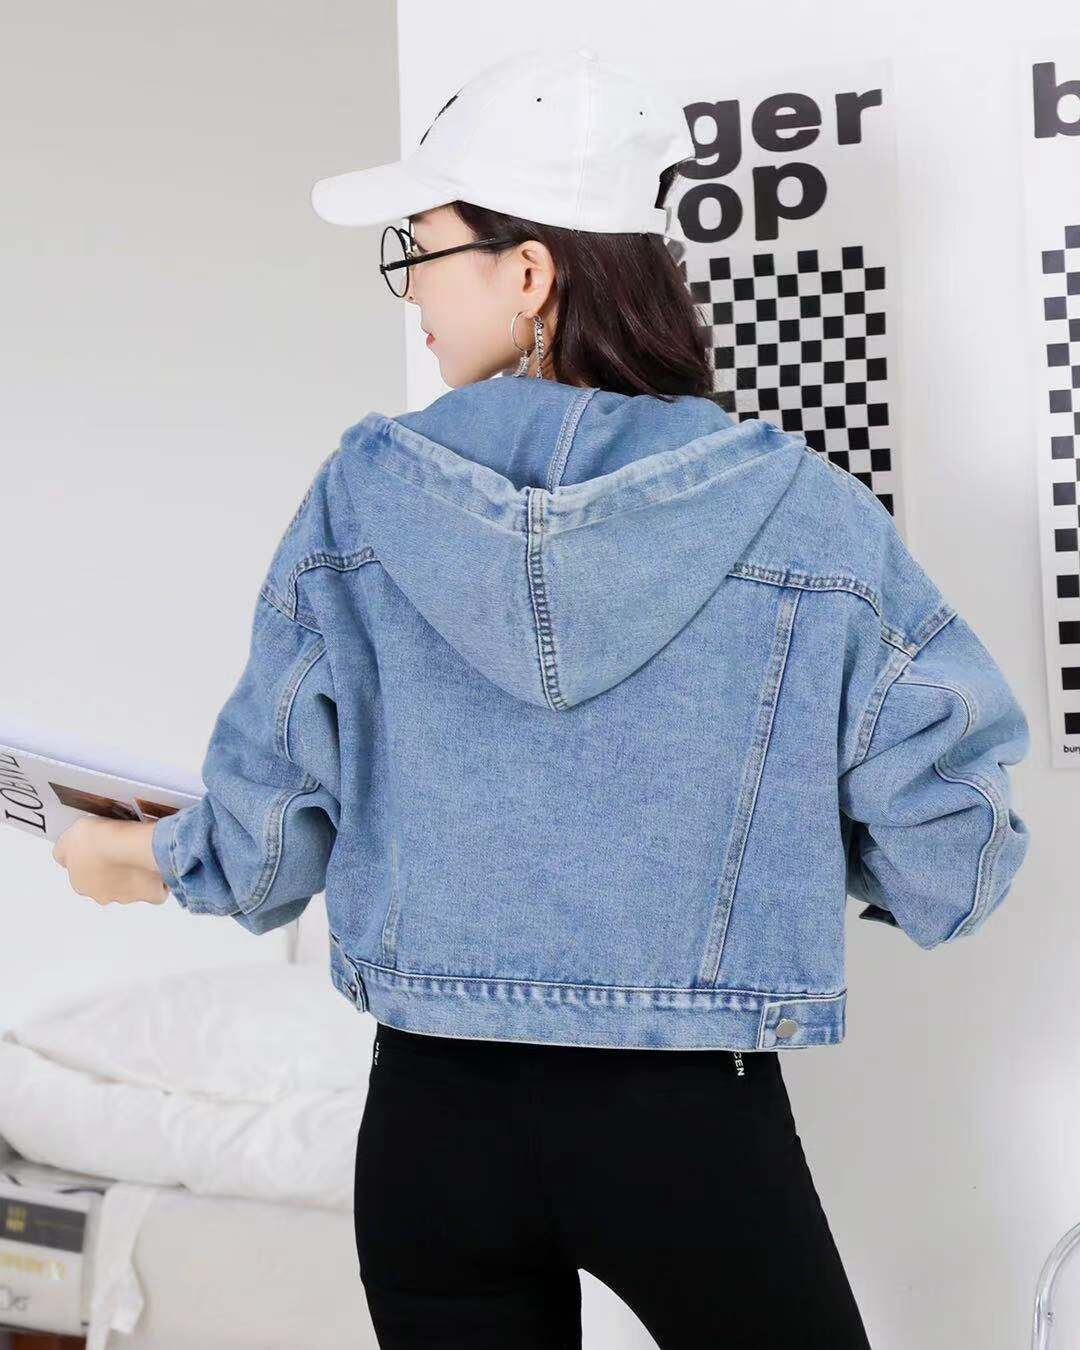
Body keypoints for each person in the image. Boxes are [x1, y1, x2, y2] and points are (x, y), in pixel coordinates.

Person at [53, 45, 1032, 1350]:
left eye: (422, 251)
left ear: (529, 272)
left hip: (435, 1124)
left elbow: (267, 843)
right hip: (692, 1124)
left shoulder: (360, 499)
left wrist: (123, 855)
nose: (411, 289)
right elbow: (950, 857)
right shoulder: (799, 512)